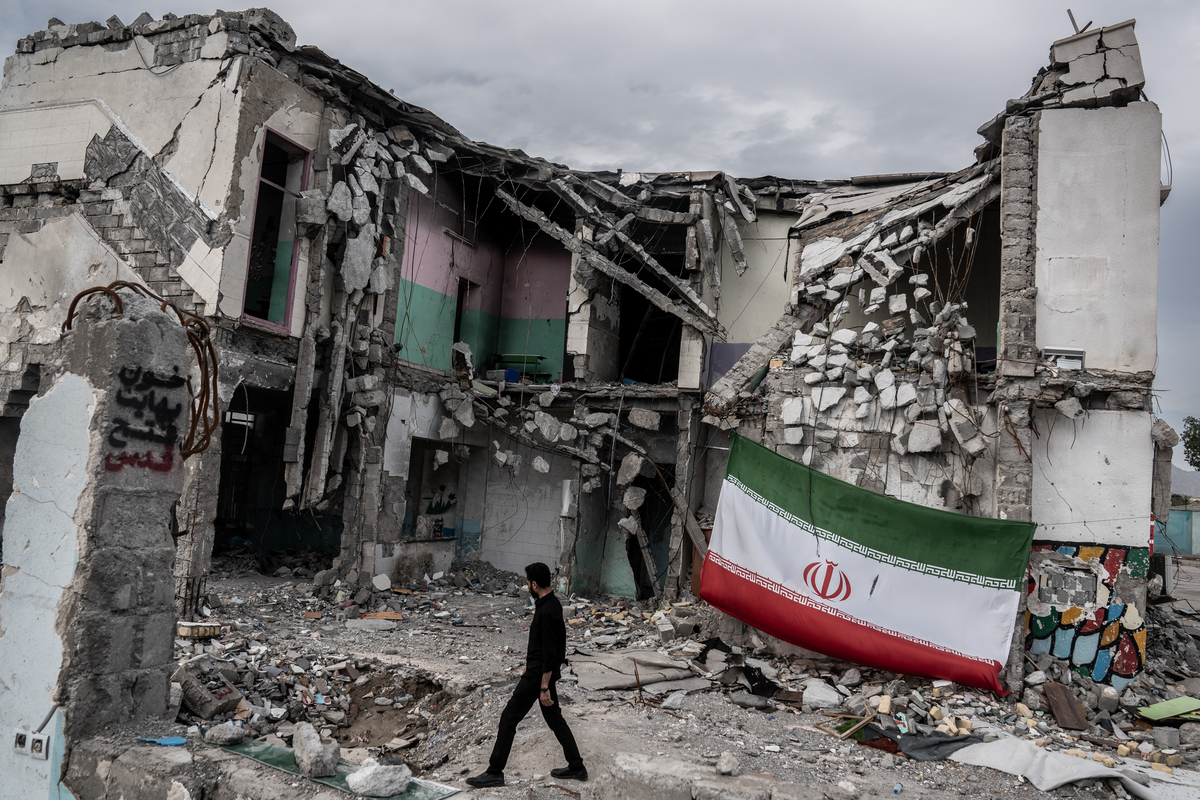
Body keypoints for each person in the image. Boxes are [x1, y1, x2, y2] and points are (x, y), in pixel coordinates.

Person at [466, 562, 587, 788]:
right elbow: (544, 647)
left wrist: (543, 686)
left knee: (508, 718)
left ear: (534, 584)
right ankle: (577, 766)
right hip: (537, 672)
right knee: (555, 719)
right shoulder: (549, 604)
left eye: (527, 583)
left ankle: (494, 772)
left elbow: (552, 653)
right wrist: (530, 665)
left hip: (538, 677)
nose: (526, 586)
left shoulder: (548, 611)